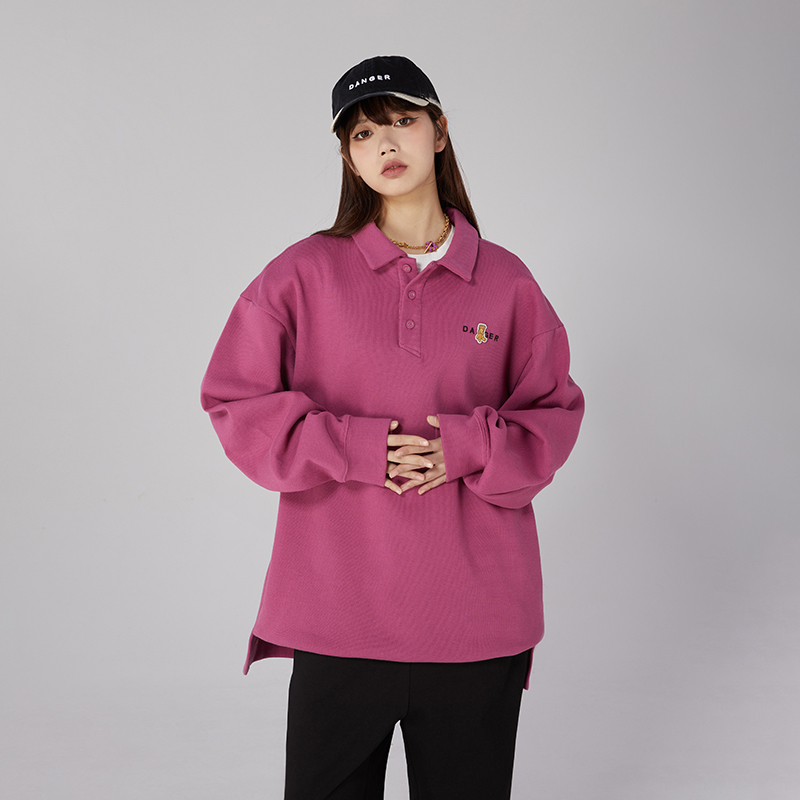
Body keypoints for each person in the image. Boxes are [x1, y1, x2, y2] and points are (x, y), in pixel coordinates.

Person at [201, 55, 584, 800]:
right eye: (362, 133)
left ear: (438, 132)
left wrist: (469, 447)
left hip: (475, 618)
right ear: (348, 157)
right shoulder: (302, 274)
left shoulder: (507, 282)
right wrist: (354, 447)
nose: (385, 143)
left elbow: (553, 419)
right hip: (337, 613)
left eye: (402, 121)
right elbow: (234, 403)